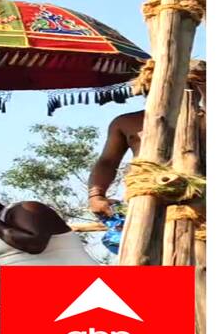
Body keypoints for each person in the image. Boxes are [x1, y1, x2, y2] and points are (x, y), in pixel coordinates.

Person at [88, 60, 206, 217]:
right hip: (144, 203)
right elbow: (107, 162)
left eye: (192, 86)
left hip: (201, 204)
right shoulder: (126, 123)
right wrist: (96, 196)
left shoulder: (206, 120)